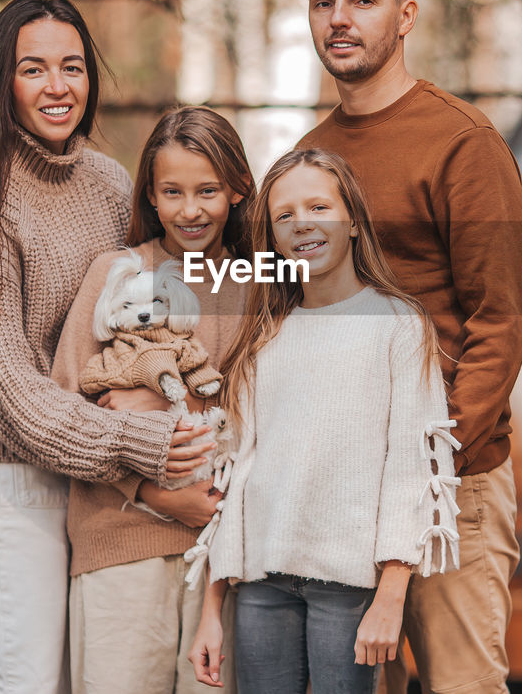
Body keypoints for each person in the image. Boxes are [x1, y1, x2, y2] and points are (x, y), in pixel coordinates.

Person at [0, 0, 214, 693]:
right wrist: (141, 446)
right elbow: (18, 396)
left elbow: (141, 317)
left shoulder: (110, 184)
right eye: (34, 69)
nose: (58, 87)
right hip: (10, 488)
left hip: (93, 484)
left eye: (72, 67)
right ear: (3, 82)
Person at [297, 0, 522, 694]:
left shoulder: (461, 143)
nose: (340, 18)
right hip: (341, 488)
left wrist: (433, 464)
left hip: (450, 485)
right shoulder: (309, 159)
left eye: (362, 0)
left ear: (406, 15)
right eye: (324, 1)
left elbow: (499, 322)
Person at [188, 147, 462, 694]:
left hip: (350, 588)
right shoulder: (265, 336)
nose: (302, 224)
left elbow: (410, 471)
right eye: (284, 215)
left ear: (354, 221)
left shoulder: (398, 326)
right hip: (262, 584)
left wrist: (391, 595)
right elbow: (235, 476)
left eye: (318, 207)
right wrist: (212, 610)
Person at [51, 106, 254, 693]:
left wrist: (162, 406)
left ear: (237, 190)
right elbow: (68, 410)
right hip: (121, 544)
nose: (190, 210)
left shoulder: (257, 286)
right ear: (152, 195)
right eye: (173, 191)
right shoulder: (117, 274)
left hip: (221, 560)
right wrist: (157, 493)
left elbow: (255, 412)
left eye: (208, 191)